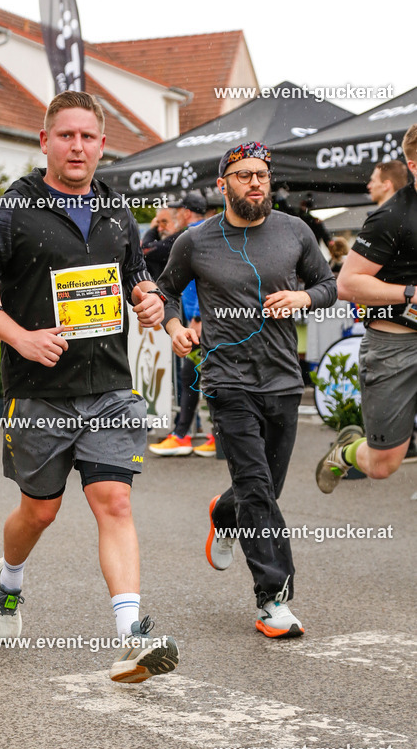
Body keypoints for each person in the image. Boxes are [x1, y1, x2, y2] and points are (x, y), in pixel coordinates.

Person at [0, 90, 179, 684]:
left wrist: (149, 299)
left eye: (87, 137)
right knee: (40, 511)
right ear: (45, 141)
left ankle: (132, 636)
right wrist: (20, 338)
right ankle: (9, 579)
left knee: (115, 501)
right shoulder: (11, 211)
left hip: (109, 387)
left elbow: (137, 274)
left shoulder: (116, 210)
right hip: (39, 393)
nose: (76, 146)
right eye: (65, 135)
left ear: (102, 146)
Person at [158, 142, 337, 638]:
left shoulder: (294, 231)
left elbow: (329, 285)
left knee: (266, 490)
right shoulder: (195, 240)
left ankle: (223, 511)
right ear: (224, 184)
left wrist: (303, 295)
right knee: (258, 488)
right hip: (226, 379)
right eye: (243, 176)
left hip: (282, 379)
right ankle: (273, 600)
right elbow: (165, 291)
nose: (256, 183)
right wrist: (174, 328)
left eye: (261, 174)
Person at [316, 124, 417, 491]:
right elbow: (347, 284)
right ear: (413, 165)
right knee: (383, 464)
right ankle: (344, 452)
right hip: (395, 346)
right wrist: (410, 292)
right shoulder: (391, 217)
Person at [149, 192, 209, 457]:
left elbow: (199, 282)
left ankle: (186, 435)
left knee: (195, 375)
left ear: (185, 213)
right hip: (204, 317)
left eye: (177, 211)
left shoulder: (191, 235)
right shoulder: (209, 232)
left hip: (200, 319)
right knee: (198, 375)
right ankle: (189, 434)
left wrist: (196, 319)